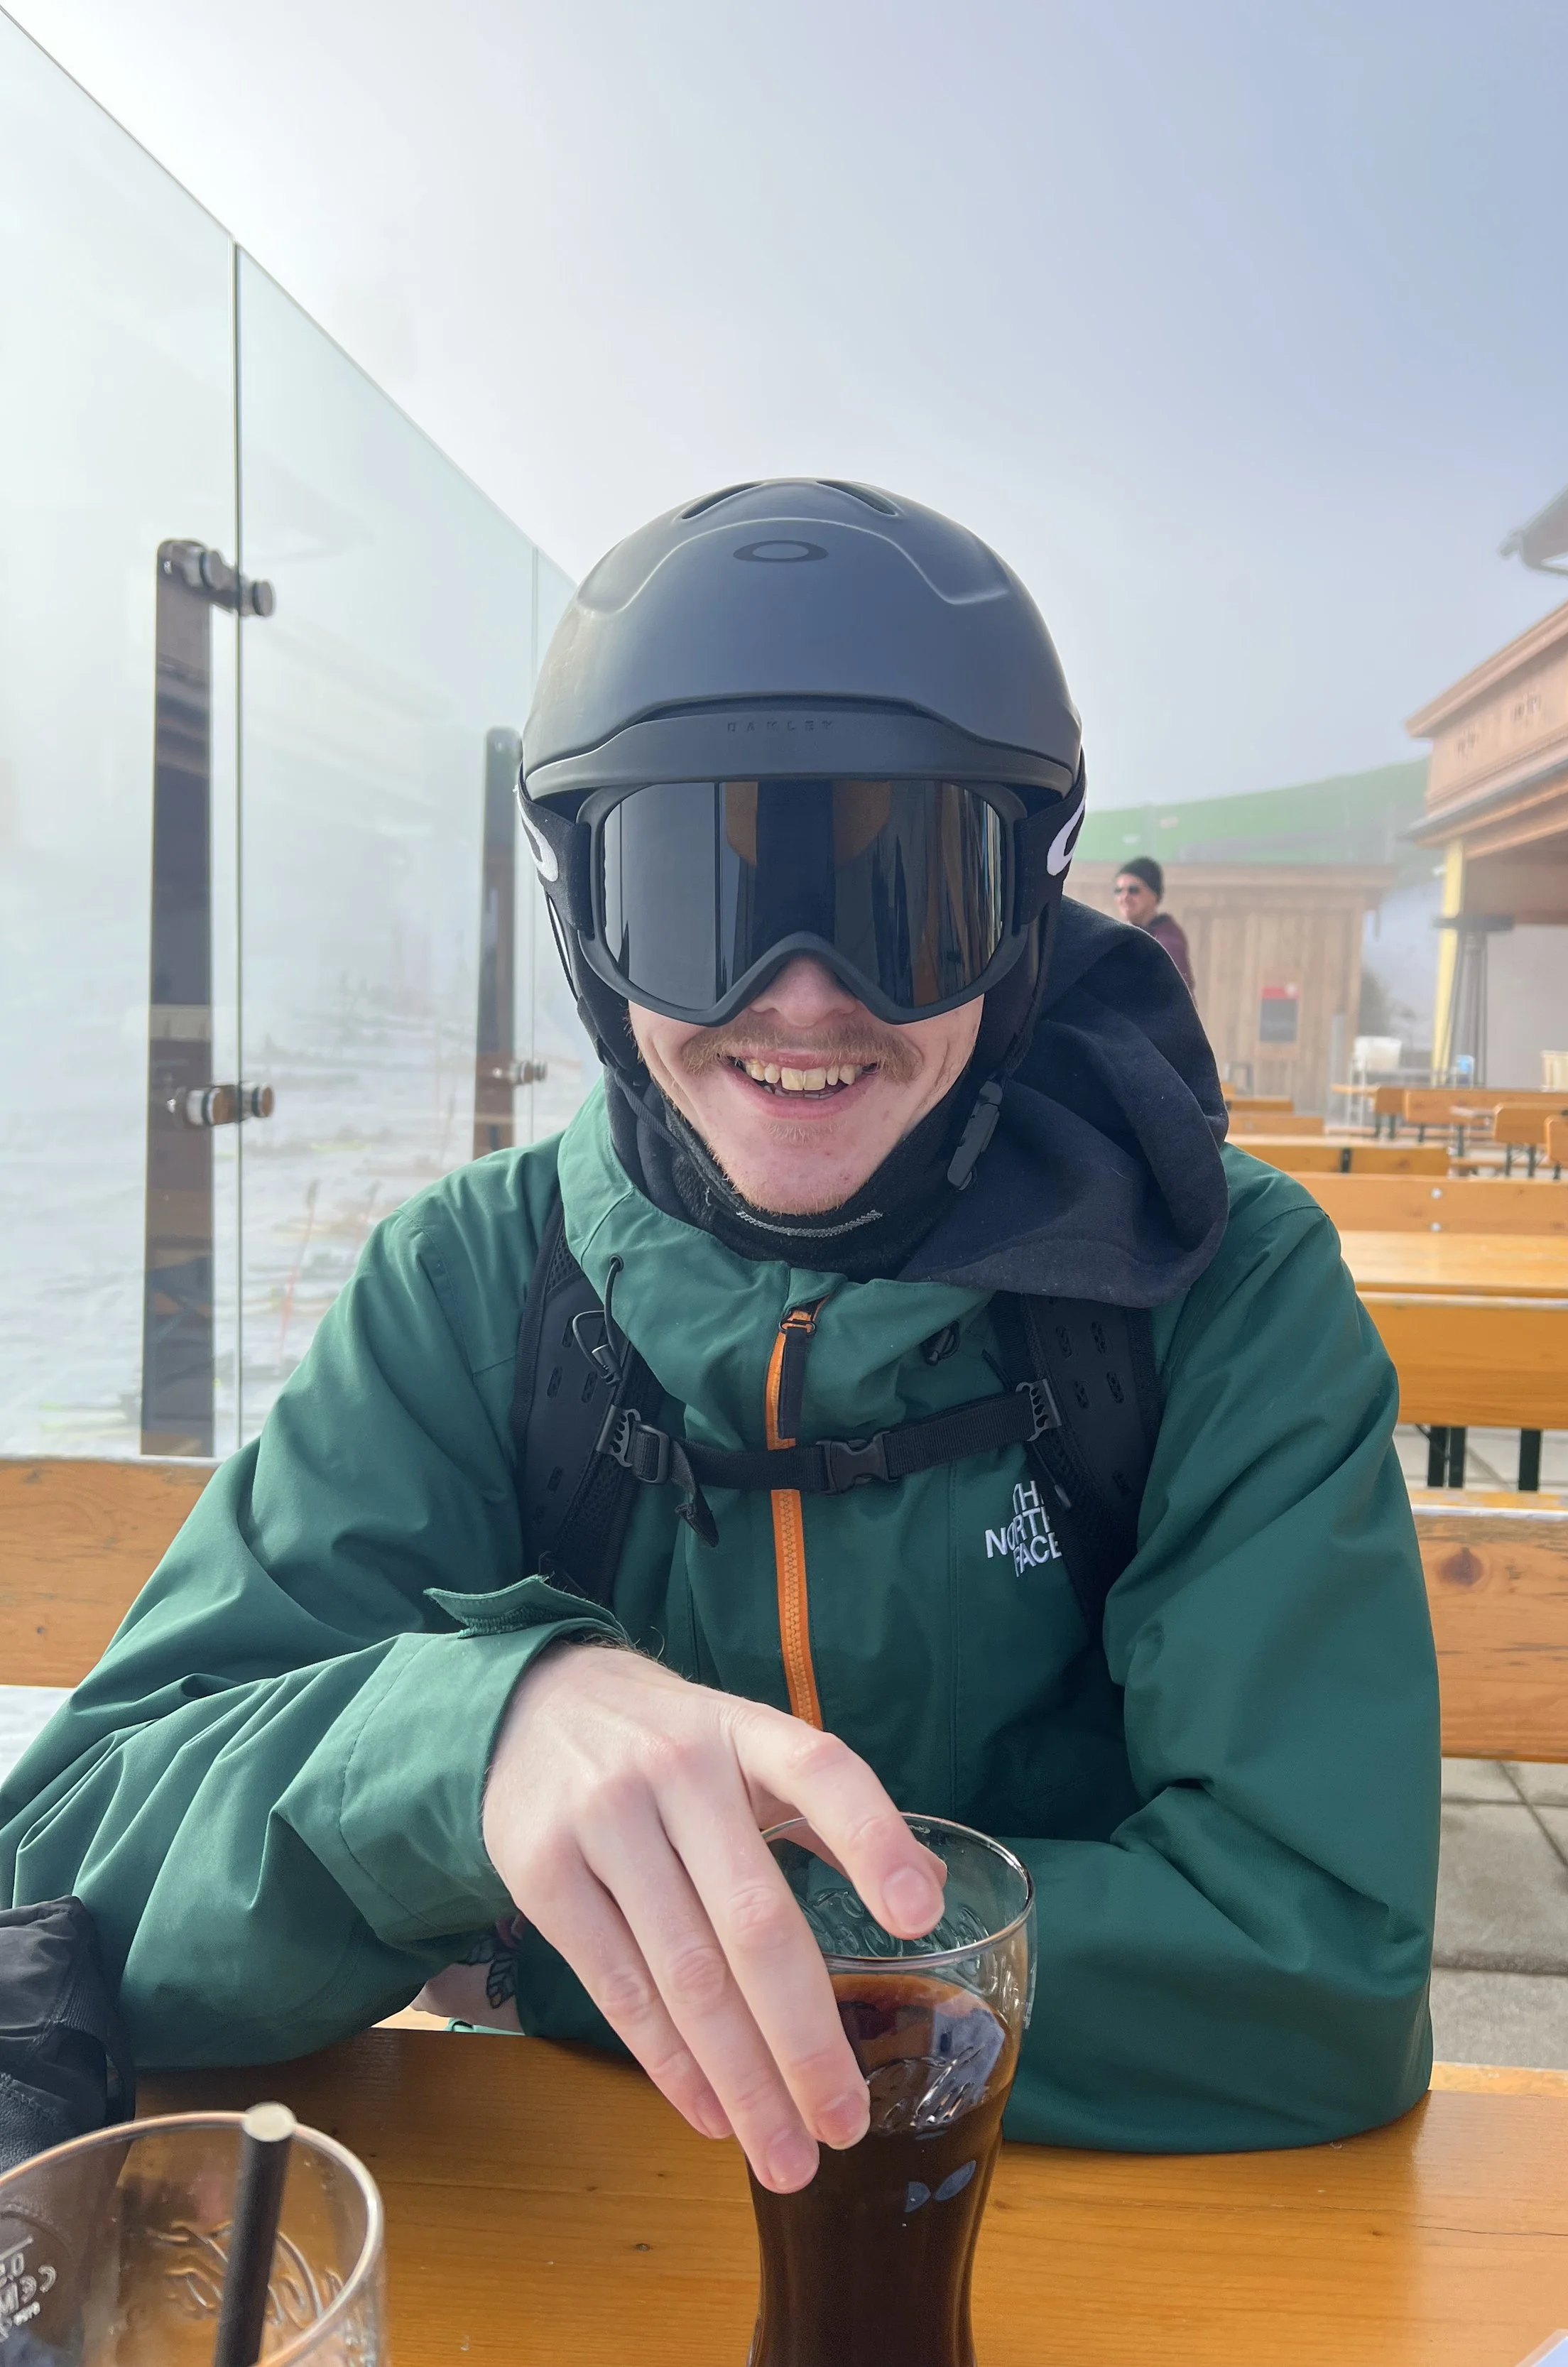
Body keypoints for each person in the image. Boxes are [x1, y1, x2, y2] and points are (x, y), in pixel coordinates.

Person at [0, 482, 1436, 2195]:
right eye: (701, 893)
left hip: (1091, 2232)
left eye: (903, 895)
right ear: (588, 930)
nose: (805, 996)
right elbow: (64, 1879)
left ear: (1026, 911)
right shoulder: (477, 1290)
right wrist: (465, 1747)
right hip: (583, 2235)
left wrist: (570, 1945)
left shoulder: (1211, 1287)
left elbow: (1312, 1963)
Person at [1114, 855, 1195, 994]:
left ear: (1154, 894)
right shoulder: (1123, 935)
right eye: (1119, 891)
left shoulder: (1168, 945)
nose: (1124, 897)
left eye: (1133, 890)